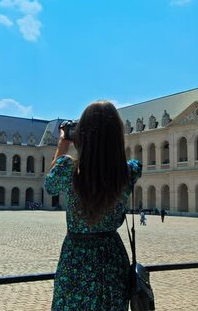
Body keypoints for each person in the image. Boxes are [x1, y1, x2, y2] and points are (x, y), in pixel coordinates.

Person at [44, 101, 141, 310]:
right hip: (111, 256)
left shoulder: (67, 169)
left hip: (76, 257)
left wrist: (62, 147)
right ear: (117, 136)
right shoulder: (129, 171)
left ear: (81, 135)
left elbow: (49, 185)